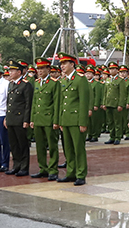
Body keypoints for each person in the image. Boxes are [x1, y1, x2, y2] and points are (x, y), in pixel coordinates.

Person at [55, 53, 89, 186]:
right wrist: (60, 121)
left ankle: (80, 174)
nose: (62, 66)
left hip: (76, 120)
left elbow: (83, 102)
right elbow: (61, 102)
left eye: (64, 63)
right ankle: (71, 173)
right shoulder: (63, 81)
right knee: (68, 149)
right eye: (61, 64)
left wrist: (83, 122)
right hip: (66, 120)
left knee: (78, 148)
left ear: (72, 64)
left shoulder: (80, 79)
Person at [30, 58, 60, 180]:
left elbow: (57, 103)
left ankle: (53, 169)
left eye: (42, 68)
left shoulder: (54, 83)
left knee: (52, 146)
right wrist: (32, 118)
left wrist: (56, 121)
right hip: (38, 118)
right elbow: (34, 102)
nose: (40, 71)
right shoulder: (36, 83)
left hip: (49, 119)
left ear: (48, 69)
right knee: (40, 146)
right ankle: (43, 168)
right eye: (38, 68)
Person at [5, 61, 33, 177]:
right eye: (9, 70)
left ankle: (24, 167)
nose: (10, 73)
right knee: (14, 144)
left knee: (23, 144)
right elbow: (9, 103)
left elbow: (28, 104)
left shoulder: (25, 85)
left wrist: (26, 120)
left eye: (12, 71)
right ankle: (16, 165)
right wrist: (6, 118)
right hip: (11, 119)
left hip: (20, 119)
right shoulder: (11, 84)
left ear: (19, 72)